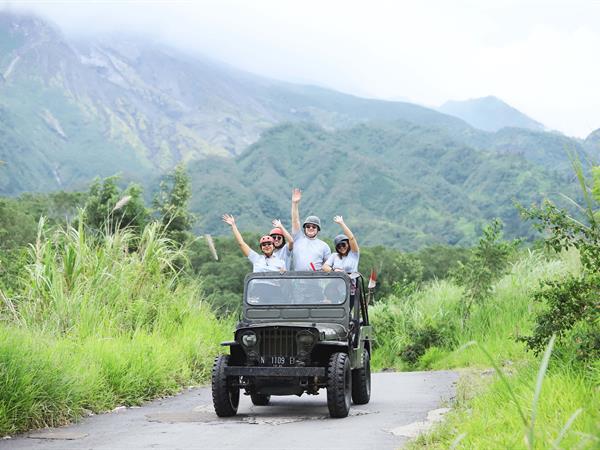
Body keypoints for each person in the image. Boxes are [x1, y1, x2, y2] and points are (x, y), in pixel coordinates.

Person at [290, 188, 331, 271]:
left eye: (314, 226)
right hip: (297, 280)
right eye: (308, 226)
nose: (311, 228)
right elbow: (295, 221)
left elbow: (328, 267)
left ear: (318, 229)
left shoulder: (324, 246)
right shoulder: (298, 239)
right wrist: (295, 203)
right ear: (304, 228)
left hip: (315, 281)